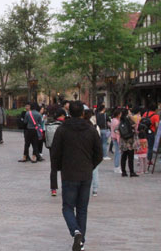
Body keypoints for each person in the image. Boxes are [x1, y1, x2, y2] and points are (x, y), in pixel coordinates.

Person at [51, 101, 103, 251]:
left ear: (69, 113)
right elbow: (99, 153)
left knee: (67, 207)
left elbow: (55, 152)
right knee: (82, 208)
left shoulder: (62, 129)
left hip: (69, 173)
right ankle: (81, 241)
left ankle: (76, 232)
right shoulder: (91, 129)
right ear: (82, 113)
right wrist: (90, 165)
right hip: (86, 173)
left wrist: (59, 167)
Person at [117, 108, 138, 177]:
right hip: (130, 140)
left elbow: (117, 129)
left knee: (124, 156)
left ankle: (124, 172)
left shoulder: (121, 120)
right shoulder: (129, 118)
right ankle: (131, 172)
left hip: (123, 140)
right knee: (130, 157)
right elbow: (135, 123)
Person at [87, 108, 100, 196]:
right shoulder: (95, 126)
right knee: (95, 170)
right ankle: (95, 189)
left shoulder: (82, 126)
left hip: (85, 151)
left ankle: (86, 188)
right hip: (93, 151)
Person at [110, 108, 122, 173]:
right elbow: (117, 131)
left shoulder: (114, 120)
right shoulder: (116, 122)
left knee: (117, 153)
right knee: (118, 153)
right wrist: (119, 140)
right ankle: (117, 166)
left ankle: (116, 166)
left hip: (114, 137)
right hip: (116, 138)